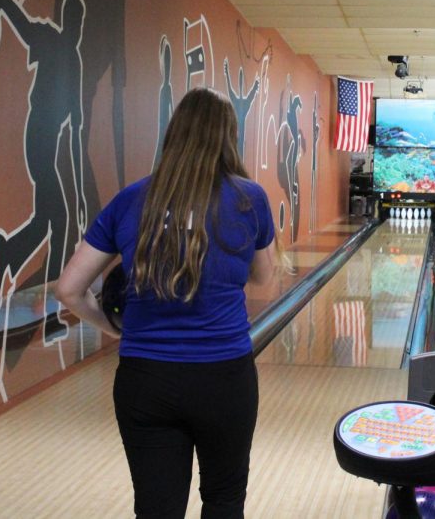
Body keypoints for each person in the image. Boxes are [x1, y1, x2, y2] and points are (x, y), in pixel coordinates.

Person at [55, 87, 276, 518]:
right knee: (225, 500)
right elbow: (264, 281)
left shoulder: (132, 198)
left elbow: (68, 289)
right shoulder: (250, 198)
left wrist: (113, 326)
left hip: (145, 379)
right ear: (228, 138)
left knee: (157, 509)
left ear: (172, 135)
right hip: (224, 378)